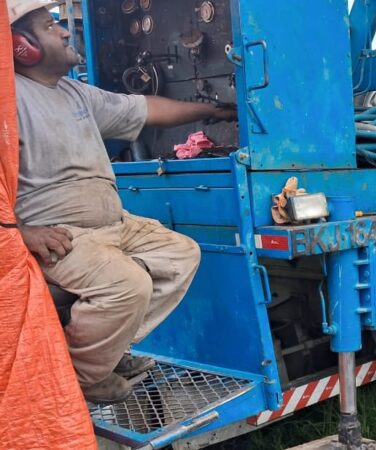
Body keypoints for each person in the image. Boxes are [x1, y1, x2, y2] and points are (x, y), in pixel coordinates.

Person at [8, 0, 235, 404]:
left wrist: (214, 111)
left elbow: (145, 108)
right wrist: (21, 233)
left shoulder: (75, 93)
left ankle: (102, 351)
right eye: (51, 26)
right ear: (23, 46)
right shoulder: (10, 100)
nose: (64, 32)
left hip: (113, 224)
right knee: (128, 286)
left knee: (181, 256)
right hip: (62, 234)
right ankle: (79, 378)